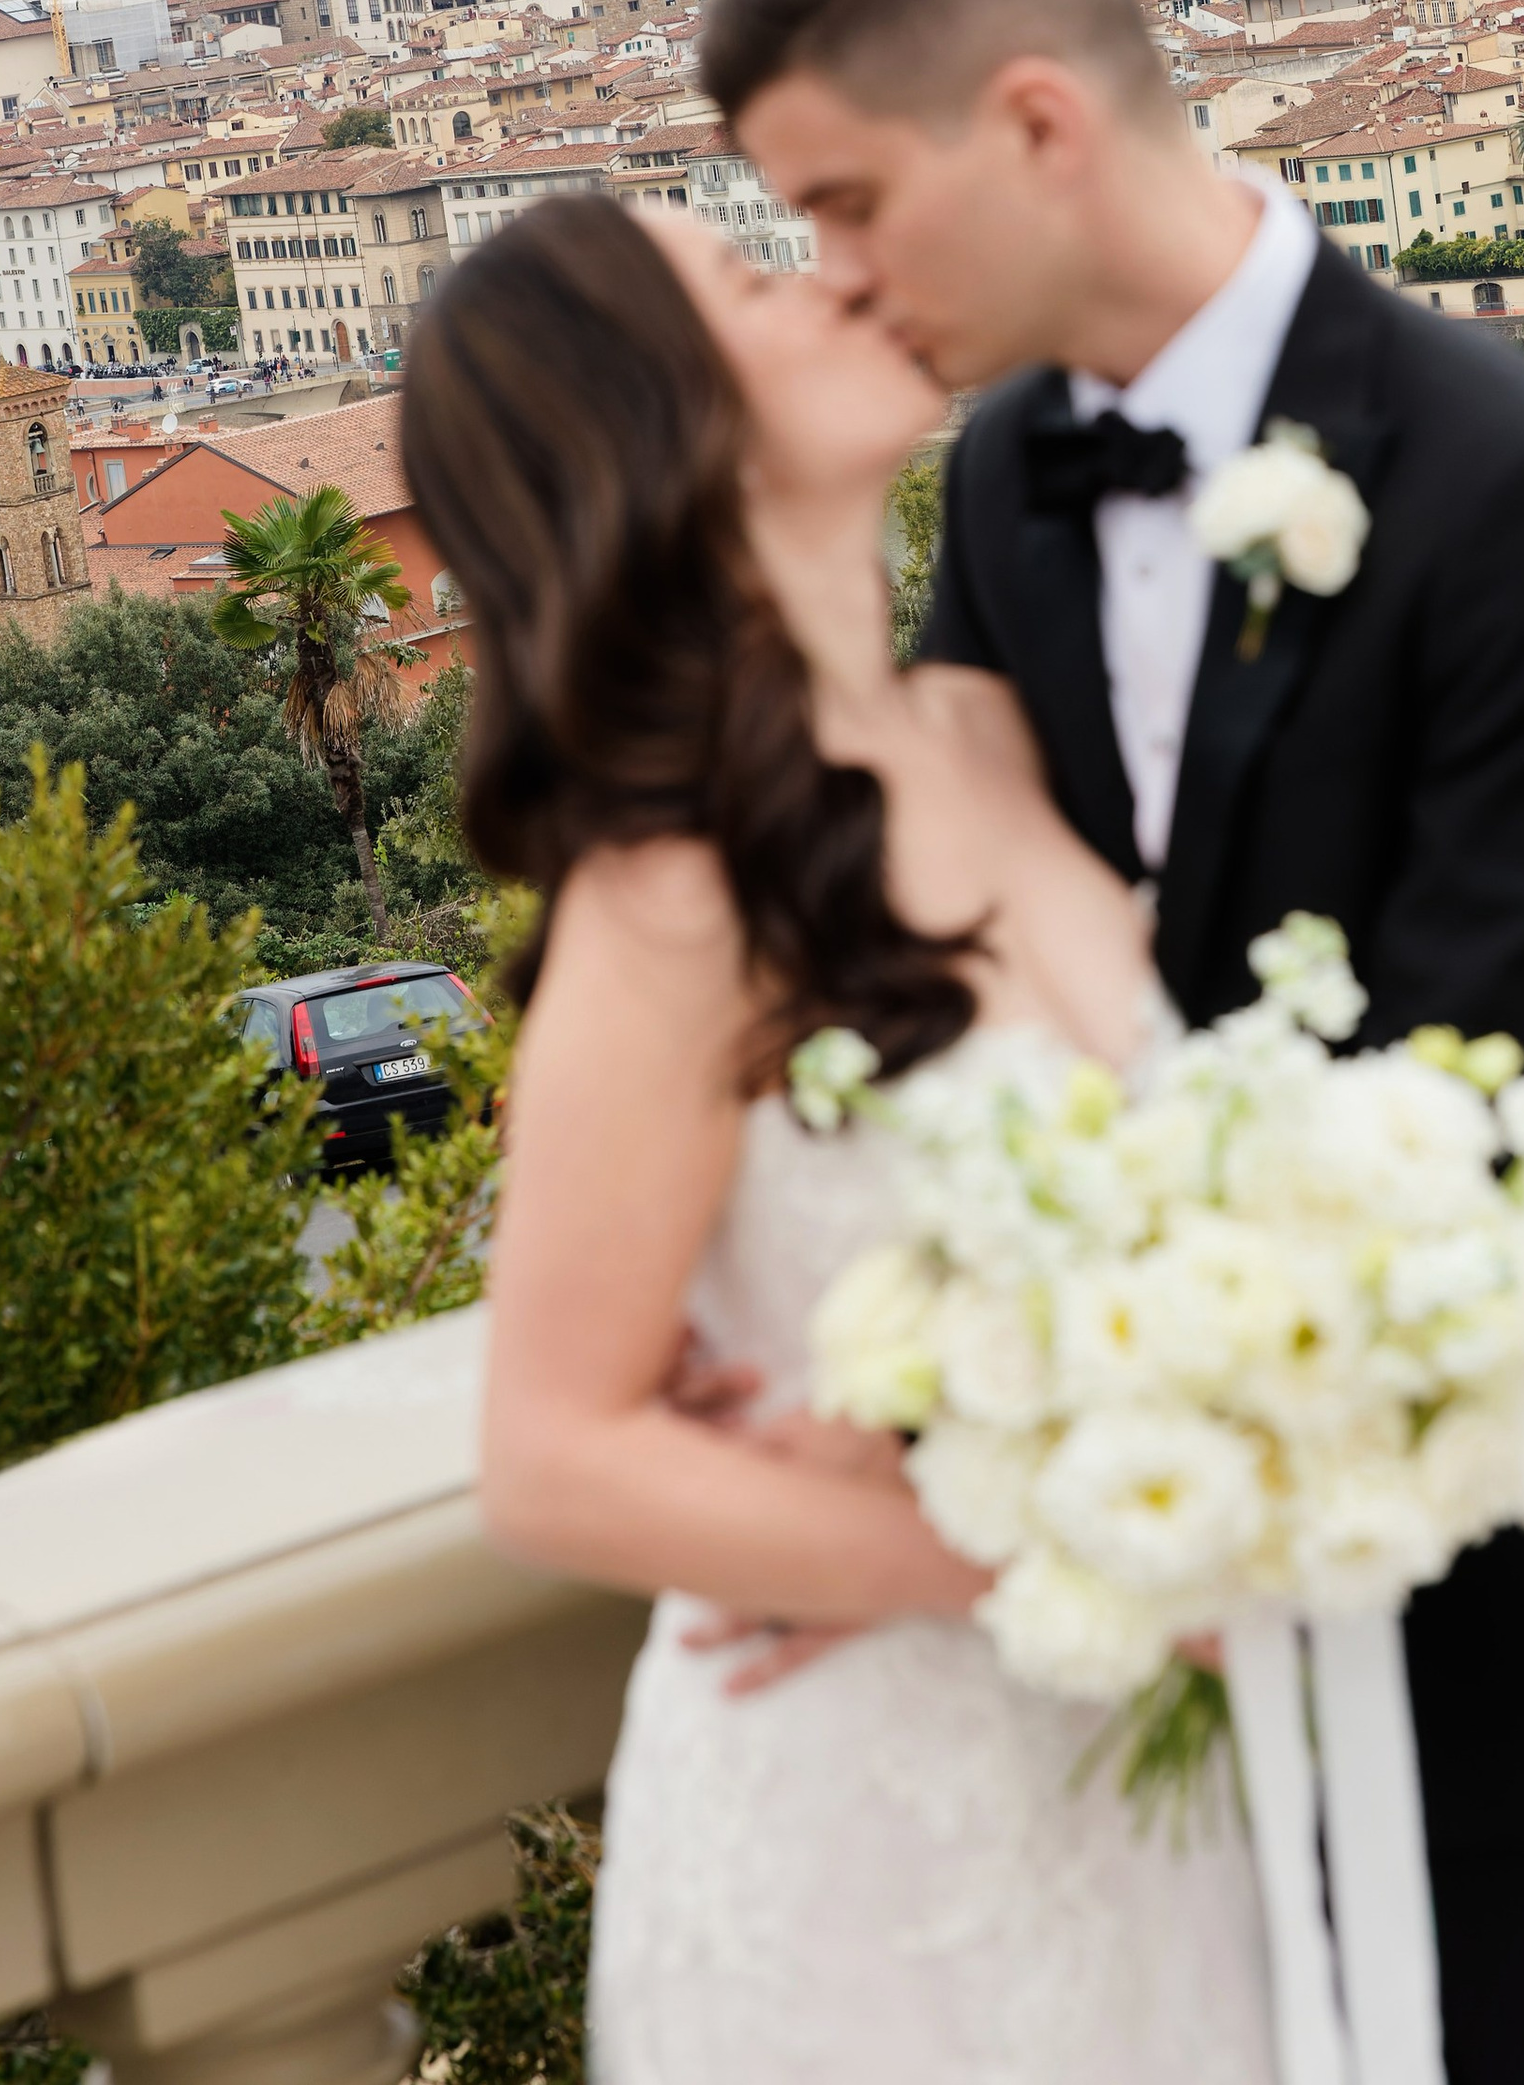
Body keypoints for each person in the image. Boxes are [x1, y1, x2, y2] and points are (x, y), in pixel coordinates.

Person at [705, 0, 1524, 2085]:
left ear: (1032, 120)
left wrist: (947, 1433)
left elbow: (1458, 1086)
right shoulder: (1017, 473)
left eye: (840, 202)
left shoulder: (1520, 491)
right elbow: (966, 976)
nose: (822, 273)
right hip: (1165, 1673)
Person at [403, 193, 1274, 2085]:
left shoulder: (983, 733)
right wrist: (1035, 1541)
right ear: (663, 423)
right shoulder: (670, 895)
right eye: (748, 280)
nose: (828, 276)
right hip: (873, 1869)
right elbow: (552, 1456)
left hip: (1165, 1818)